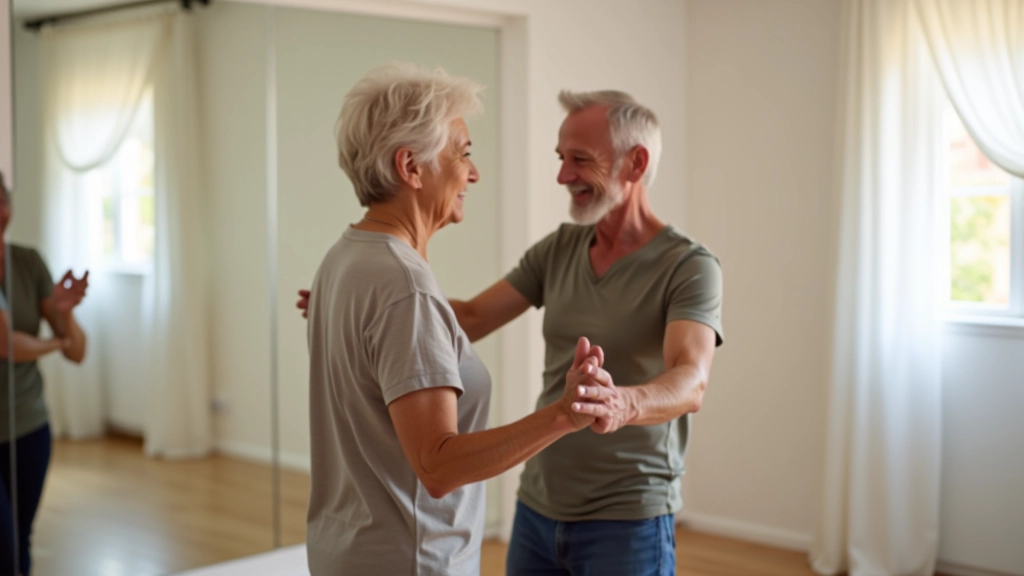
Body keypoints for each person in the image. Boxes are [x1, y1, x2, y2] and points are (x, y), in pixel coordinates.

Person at [299, 90, 724, 575]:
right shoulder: (560, 249)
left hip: (627, 514)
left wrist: (622, 403)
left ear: (636, 162)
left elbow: (692, 379)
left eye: (579, 160)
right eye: (561, 159)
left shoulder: (689, 266)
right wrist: (361, 311)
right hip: (540, 505)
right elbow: (474, 316)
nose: (563, 176)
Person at [0, 172, 88, 576]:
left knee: (20, 539)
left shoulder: (28, 261)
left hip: (29, 426)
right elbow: (8, 346)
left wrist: (65, 313)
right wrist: (55, 341)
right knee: (1, 546)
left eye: (2, 200)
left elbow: (77, 352)